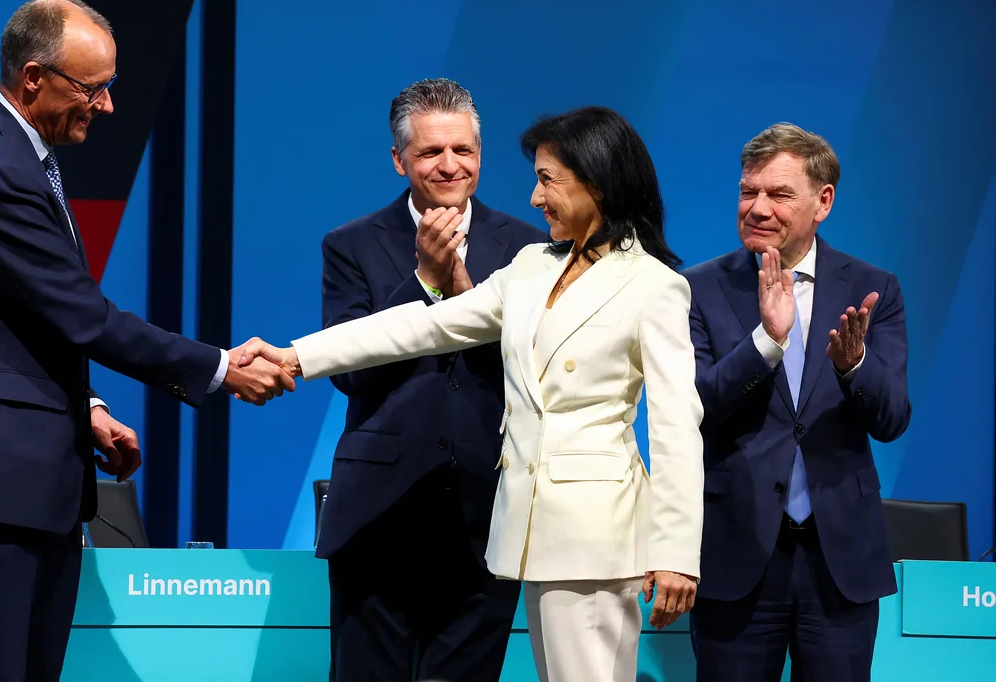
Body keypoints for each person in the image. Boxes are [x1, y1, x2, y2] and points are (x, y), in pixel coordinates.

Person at [0, 0, 291, 681]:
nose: (106, 105)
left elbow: (24, 321)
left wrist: (88, 407)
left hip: (21, 476)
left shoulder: (20, 157)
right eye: (91, 87)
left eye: (110, 85)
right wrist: (222, 367)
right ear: (33, 78)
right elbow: (84, 316)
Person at [243, 106, 705, 682]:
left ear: (597, 184)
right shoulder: (533, 265)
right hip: (532, 526)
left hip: (598, 532)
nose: (535, 199)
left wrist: (676, 552)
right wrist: (295, 356)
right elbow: (425, 325)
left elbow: (676, 426)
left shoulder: (654, 285)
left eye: (547, 180)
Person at [309, 78, 545, 681]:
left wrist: (465, 295)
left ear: (480, 154)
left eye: (463, 150)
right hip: (379, 514)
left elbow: (537, 373)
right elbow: (349, 372)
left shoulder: (531, 249)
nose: (449, 165)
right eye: (430, 152)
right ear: (399, 160)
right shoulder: (351, 245)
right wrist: (422, 282)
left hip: (488, 510)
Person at [681, 123, 911, 681]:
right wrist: (766, 342)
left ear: (822, 202)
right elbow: (695, 408)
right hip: (736, 552)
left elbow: (892, 419)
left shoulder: (873, 289)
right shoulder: (697, 288)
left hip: (839, 561)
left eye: (779, 194)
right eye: (748, 191)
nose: (758, 208)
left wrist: (853, 366)